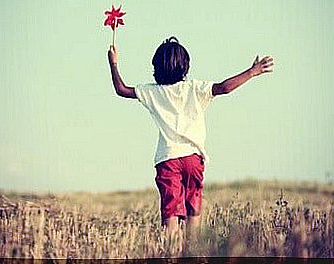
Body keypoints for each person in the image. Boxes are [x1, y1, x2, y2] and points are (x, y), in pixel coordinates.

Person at [107, 36, 274, 244]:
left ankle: (171, 255)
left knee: (171, 214)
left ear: (156, 67)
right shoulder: (195, 88)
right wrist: (252, 71)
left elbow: (121, 89)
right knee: (193, 210)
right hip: (194, 159)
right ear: (185, 67)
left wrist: (113, 63)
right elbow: (224, 88)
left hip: (168, 159)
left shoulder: (152, 92)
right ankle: (194, 252)